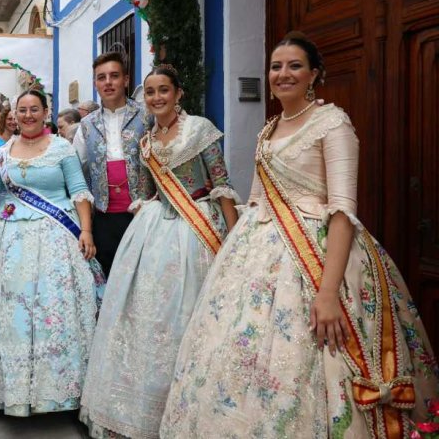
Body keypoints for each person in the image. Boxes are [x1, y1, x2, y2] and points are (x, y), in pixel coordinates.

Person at [160, 33, 439, 438]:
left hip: (319, 255)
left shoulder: (332, 122)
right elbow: (256, 201)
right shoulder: (267, 130)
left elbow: (342, 210)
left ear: (314, 74)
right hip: (258, 254)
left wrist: (328, 294)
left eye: (294, 66)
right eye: (276, 66)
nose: (283, 74)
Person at [79, 65, 240, 439]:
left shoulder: (200, 129)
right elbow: (149, 190)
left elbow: (222, 183)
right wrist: (144, 206)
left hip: (197, 227)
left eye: (163, 90)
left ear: (178, 93)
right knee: (148, 312)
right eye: (150, 92)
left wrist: (234, 239)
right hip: (155, 229)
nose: (157, 98)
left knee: (190, 311)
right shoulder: (147, 140)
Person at [0, 89, 104, 417]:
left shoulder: (62, 148)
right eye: (21, 110)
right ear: (14, 114)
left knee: (53, 307)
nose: (27, 115)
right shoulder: (4, 152)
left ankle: (56, 390)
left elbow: (79, 190)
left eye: (34, 109)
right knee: (15, 313)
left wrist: (86, 230)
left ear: (45, 112)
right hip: (10, 239)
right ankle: (15, 390)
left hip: (56, 238)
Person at [73, 52, 154, 276]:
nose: (108, 82)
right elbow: (77, 171)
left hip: (143, 214)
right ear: (95, 83)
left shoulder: (147, 116)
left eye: (114, 76)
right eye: (101, 77)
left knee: (143, 277)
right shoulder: (87, 125)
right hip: (104, 217)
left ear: (126, 80)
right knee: (109, 278)